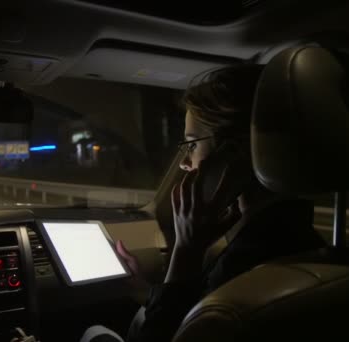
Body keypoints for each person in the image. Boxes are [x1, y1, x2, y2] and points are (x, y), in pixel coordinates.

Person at [108, 63, 327, 342]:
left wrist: (187, 248)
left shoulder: (249, 262)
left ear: (233, 154)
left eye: (192, 145)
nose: (185, 163)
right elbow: (195, 309)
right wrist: (145, 289)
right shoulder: (299, 239)